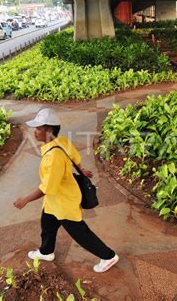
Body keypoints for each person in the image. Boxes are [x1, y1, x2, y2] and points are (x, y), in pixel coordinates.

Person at [14, 108, 119, 273]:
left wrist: (26, 199)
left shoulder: (53, 157)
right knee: (47, 224)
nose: (35, 132)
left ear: (49, 130)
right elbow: (74, 158)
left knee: (80, 233)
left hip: (64, 201)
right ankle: (46, 252)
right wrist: (82, 170)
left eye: (38, 128)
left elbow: (47, 187)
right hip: (54, 200)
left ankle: (108, 256)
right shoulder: (61, 141)